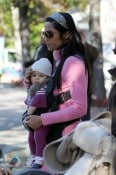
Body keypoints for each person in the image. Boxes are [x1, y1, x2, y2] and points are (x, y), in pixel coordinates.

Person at [25, 11, 89, 164]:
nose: (45, 39)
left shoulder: (73, 62)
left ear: (66, 34)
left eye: (50, 34)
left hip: (64, 138)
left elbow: (80, 108)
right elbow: (48, 95)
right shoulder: (58, 60)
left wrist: (42, 119)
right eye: (44, 34)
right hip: (53, 134)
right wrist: (30, 82)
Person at [23, 58, 54, 169]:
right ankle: (33, 155)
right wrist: (27, 81)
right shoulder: (34, 88)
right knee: (31, 138)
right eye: (34, 75)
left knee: (39, 136)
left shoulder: (43, 89)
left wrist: (27, 114)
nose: (37, 78)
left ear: (47, 78)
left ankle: (40, 158)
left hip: (42, 117)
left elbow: (34, 102)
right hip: (34, 118)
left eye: (41, 76)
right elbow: (29, 92)